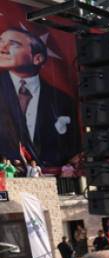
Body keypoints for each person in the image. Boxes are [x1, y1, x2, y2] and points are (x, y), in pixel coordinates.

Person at [0, 28, 78, 167]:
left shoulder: (62, 100)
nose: (3, 49)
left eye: (14, 44)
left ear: (37, 58)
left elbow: (70, 148)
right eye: (0, 42)